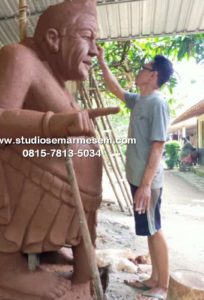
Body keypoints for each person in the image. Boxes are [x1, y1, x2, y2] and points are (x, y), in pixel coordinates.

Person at [0, 0, 119, 299]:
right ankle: (5, 272)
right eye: (87, 37)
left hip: (58, 183)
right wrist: (56, 124)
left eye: (96, 40)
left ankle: (54, 254)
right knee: (15, 173)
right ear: (53, 38)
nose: (94, 50)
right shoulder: (18, 57)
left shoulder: (56, 79)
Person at [97, 47, 173, 300]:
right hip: (138, 179)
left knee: (155, 228)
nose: (140, 71)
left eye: (145, 68)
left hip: (147, 182)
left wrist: (145, 184)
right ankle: (153, 278)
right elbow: (115, 88)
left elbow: (158, 146)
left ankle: (163, 285)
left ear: (154, 76)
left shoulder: (157, 103)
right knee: (148, 229)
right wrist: (101, 60)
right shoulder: (140, 100)